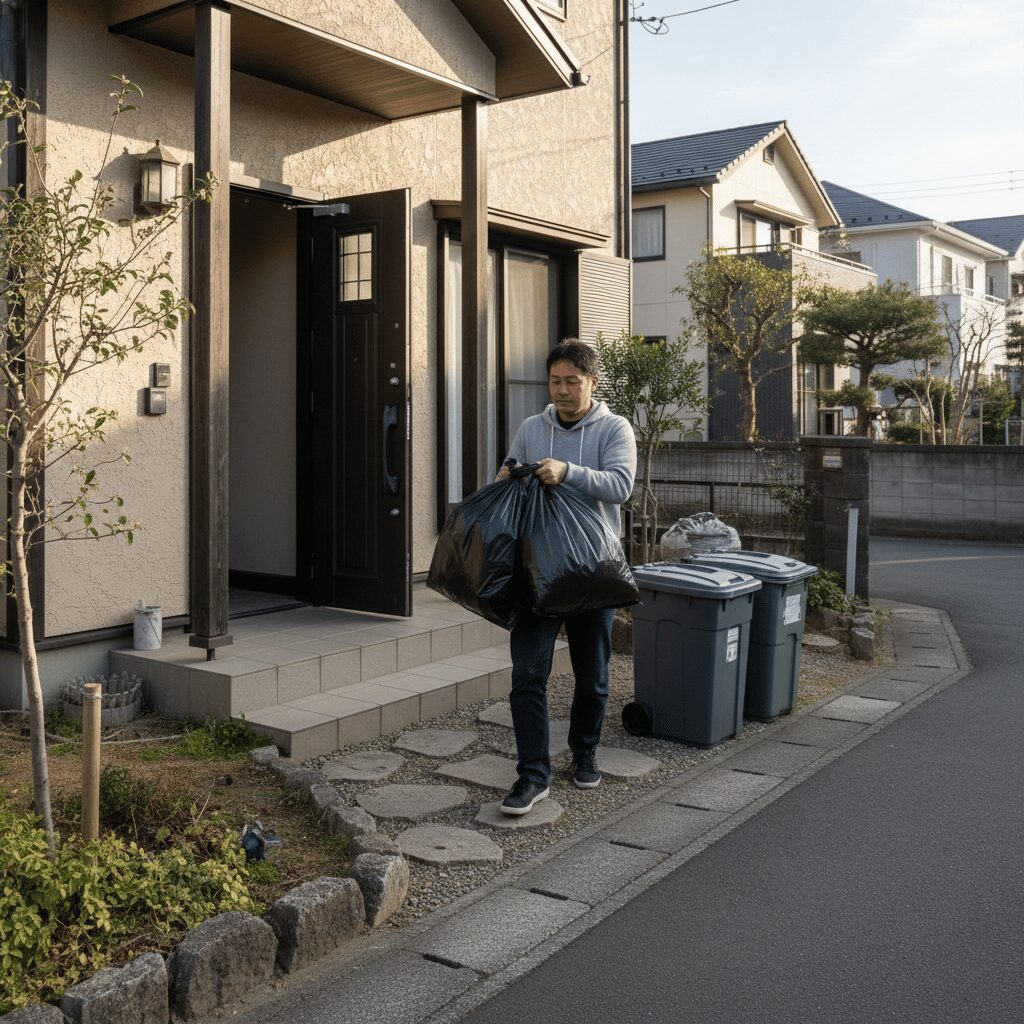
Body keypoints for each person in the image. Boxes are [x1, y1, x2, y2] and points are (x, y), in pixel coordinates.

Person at [496, 339, 637, 816]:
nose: (561, 390)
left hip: (594, 569)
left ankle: (584, 750)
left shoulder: (614, 428)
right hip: (537, 569)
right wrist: (507, 477)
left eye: (571, 382)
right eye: (554, 381)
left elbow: (620, 486)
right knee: (527, 674)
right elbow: (507, 474)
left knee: (593, 677)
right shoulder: (532, 428)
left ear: (591, 382)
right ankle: (533, 775)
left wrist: (568, 471)